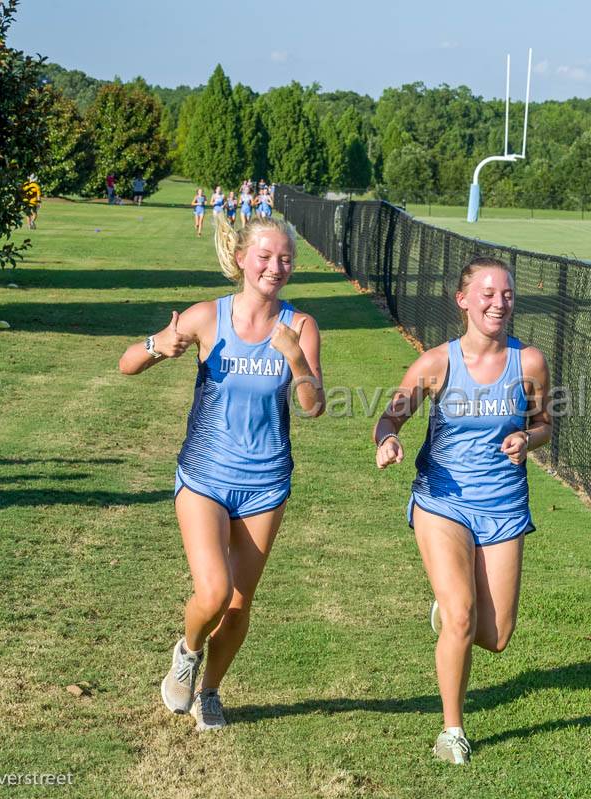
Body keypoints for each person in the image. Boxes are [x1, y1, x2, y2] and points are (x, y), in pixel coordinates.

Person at [118, 214, 324, 732]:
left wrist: (297, 361)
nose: (275, 267)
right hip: (205, 475)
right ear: (240, 259)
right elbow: (125, 364)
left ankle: (210, 691)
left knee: (237, 604)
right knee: (213, 592)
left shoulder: (299, 326)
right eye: (265, 257)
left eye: (284, 259)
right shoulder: (208, 317)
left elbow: (314, 405)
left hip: (266, 482)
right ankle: (187, 652)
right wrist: (154, 346)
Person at [372, 256, 552, 764]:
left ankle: (452, 613)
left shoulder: (530, 362)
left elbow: (546, 423)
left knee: (495, 637)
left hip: (503, 504)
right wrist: (387, 441)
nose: (500, 302)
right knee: (462, 615)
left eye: (508, 294)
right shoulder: (437, 364)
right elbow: (391, 415)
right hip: (442, 500)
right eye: (489, 293)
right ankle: (453, 730)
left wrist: (528, 438)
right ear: (464, 300)